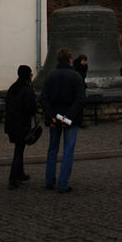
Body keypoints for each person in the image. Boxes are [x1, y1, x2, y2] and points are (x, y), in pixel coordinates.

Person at [40, 47, 85, 194]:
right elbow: (79, 99)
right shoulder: (76, 76)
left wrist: (51, 115)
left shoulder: (50, 76)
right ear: (70, 59)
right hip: (69, 119)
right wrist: (69, 117)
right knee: (68, 150)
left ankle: (49, 181)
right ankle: (63, 183)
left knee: (52, 149)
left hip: (54, 118)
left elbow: (44, 98)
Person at [4, 64, 37, 189]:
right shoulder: (26, 89)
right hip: (21, 124)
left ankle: (20, 173)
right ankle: (13, 178)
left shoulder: (13, 88)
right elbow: (30, 107)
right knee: (18, 151)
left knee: (19, 149)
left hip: (11, 123)